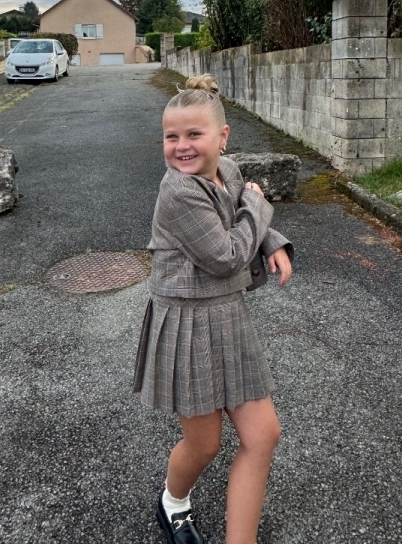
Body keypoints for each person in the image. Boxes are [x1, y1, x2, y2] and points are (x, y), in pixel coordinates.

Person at [134, 75, 293, 544]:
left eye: (193, 134)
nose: (181, 146)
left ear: (222, 136)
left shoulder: (228, 169)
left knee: (262, 435)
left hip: (227, 314)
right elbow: (226, 256)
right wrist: (259, 206)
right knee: (205, 444)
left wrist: (271, 240)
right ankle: (173, 502)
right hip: (187, 323)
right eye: (171, 136)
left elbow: (239, 210)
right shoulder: (178, 192)